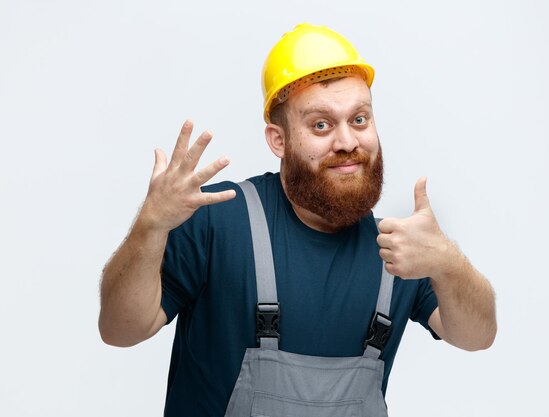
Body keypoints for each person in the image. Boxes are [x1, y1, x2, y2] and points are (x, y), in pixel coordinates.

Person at [99, 23, 497, 417]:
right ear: (279, 139)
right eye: (321, 125)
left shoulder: (398, 250)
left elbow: (478, 336)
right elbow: (121, 329)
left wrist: (446, 261)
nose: (346, 142)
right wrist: (150, 226)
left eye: (359, 119)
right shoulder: (217, 220)